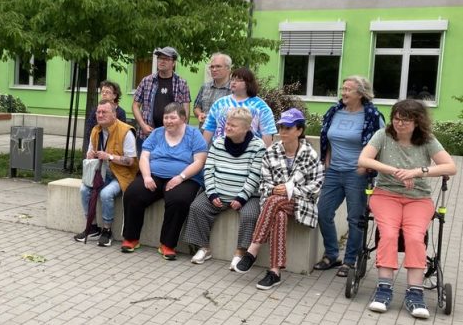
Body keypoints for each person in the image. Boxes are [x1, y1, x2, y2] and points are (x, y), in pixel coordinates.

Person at [357, 99, 456, 318]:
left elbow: (450, 166)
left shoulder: (427, 140)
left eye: (406, 120)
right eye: (397, 118)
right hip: (386, 194)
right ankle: (384, 288)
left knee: (414, 237)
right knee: (389, 234)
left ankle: (415, 293)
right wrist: (395, 171)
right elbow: (364, 159)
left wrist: (417, 172)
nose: (399, 124)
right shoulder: (383, 135)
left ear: (417, 122)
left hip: (418, 198)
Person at [235, 109, 324, 290]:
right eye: (281, 127)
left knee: (276, 202)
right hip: (272, 201)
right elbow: (263, 185)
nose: (282, 131)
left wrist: (291, 191)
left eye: (288, 128)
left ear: (299, 131)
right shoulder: (270, 153)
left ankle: (252, 250)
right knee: (279, 213)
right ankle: (275, 271)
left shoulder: (310, 155)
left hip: (302, 203)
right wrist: (276, 190)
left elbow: (316, 188)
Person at [315, 76, 384, 276]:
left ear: (361, 94)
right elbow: (327, 138)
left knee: (355, 218)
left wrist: (364, 168)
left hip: (357, 174)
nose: (343, 93)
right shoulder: (334, 112)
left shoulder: (372, 115)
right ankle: (331, 254)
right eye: (342, 89)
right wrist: (327, 162)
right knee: (323, 212)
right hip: (334, 171)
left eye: (348, 90)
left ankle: (350, 260)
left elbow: (381, 144)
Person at [120, 103, 207, 260]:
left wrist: (180, 177)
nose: (168, 121)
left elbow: (199, 162)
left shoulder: (194, 134)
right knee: (133, 193)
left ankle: (167, 244)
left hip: (185, 178)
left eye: (172, 117)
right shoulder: (157, 133)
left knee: (179, 200)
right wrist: (146, 176)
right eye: (166, 117)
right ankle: (131, 238)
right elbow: (144, 156)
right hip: (154, 175)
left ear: (183, 118)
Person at [183, 107, 266, 268]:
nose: (227, 127)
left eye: (233, 125)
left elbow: (255, 176)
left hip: (247, 196)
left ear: (246, 128)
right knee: (197, 207)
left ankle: (241, 252)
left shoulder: (258, 146)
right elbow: (209, 169)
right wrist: (212, 194)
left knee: (250, 215)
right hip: (218, 193)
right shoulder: (218, 142)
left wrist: (241, 197)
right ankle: (203, 247)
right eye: (227, 124)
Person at [74, 100, 138, 246]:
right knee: (84, 189)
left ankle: (107, 230)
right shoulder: (95, 130)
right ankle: (92, 227)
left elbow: (131, 161)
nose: (100, 115)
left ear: (114, 114)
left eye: (104, 112)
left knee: (106, 194)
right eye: (98, 112)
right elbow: (90, 153)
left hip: (120, 175)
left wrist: (109, 156)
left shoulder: (126, 131)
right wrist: (90, 155)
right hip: (100, 173)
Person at [132, 47, 191, 154]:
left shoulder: (181, 83)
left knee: (166, 167)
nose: (161, 61)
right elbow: (135, 105)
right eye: (160, 58)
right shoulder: (147, 81)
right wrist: (142, 125)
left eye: (166, 59)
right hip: (147, 134)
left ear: (173, 63)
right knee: (144, 166)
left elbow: (185, 109)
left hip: (172, 135)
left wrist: (182, 129)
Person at [202, 67, 277, 147]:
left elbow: (267, 134)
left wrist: (264, 155)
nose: (233, 82)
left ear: (248, 83)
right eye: (232, 79)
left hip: (250, 153)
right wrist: (202, 151)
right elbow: (209, 129)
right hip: (220, 152)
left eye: (238, 80)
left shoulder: (260, 106)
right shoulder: (219, 104)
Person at [193, 52, 232, 127]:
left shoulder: (234, 89)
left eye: (218, 66)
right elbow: (196, 107)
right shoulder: (205, 87)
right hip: (204, 133)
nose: (214, 69)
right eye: (212, 67)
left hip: (224, 134)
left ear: (228, 69)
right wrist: (199, 114)